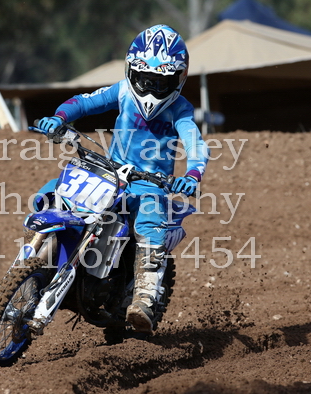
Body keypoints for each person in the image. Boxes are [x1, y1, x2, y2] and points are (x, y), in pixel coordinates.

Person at [37, 24, 208, 334]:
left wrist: (192, 174)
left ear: (179, 79)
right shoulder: (123, 92)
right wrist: (58, 118)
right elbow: (84, 102)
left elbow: (195, 144)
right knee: (56, 190)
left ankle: (144, 298)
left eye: (161, 82)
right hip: (109, 171)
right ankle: (37, 254)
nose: (152, 88)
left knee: (150, 222)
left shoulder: (181, 110)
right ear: (131, 71)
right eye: (145, 79)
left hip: (151, 183)